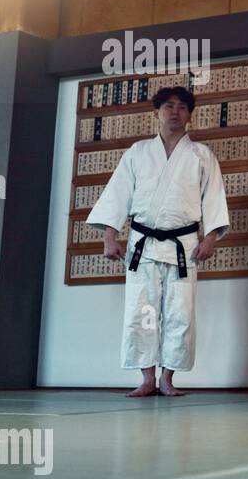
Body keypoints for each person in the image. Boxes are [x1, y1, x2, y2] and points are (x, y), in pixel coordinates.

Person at [87, 86, 230, 397]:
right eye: (168, 106)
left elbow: (214, 199)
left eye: (181, 106)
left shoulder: (201, 156)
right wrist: (110, 236)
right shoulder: (138, 152)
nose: (174, 111)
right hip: (144, 245)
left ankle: (168, 378)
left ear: (190, 115)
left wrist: (211, 238)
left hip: (185, 246)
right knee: (142, 312)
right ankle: (147, 379)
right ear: (157, 113)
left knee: (181, 313)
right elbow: (118, 195)